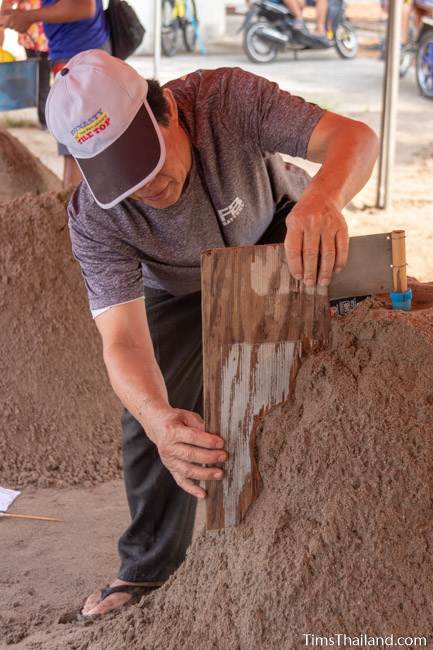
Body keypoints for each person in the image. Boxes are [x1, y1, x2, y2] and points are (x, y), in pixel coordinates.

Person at [45, 50, 379, 617]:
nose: (143, 187)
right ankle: (147, 572)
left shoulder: (226, 99)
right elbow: (122, 340)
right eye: (119, 175)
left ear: (167, 110)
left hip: (274, 228)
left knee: (362, 336)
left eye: (145, 161)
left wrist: (324, 198)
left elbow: (357, 139)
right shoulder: (96, 216)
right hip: (174, 286)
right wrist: (156, 418)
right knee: (158, 417)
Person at [1, 0, 110, 187]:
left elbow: (84, 7)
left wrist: (29, 16)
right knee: (78, 148)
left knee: (79, 150)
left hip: (82, 59)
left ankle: (74, 211)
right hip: (72, 55)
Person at [0, 0, 50, 128]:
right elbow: (7, 5)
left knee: (44, 80)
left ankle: (46, 119)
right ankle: (45, 120)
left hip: (52, 37)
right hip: (33, 38)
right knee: (41, 80)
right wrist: (1, 28)